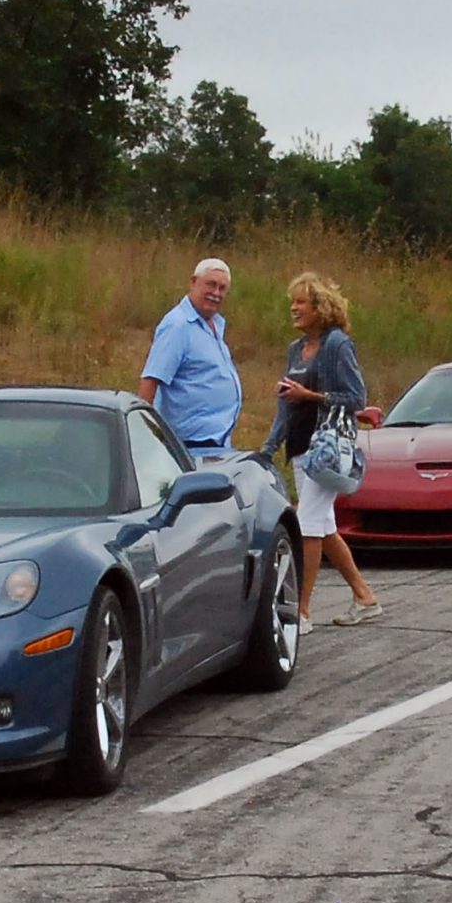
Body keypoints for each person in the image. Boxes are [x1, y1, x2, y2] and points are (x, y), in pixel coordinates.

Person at [255, 271, 383, 632]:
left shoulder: (338, 345)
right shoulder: (295, 350)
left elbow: (356, 399)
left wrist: (311, 396)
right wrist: (268, 449)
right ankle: (364, 596)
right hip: (300, 446)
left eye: (301, 302)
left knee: (308, 524)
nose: (293, 309)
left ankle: (303, 611)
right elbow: (286, 405)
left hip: (326, 449)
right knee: (322, 526)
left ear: (320, 308)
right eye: (292, 302)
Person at [138, 257, 243, 458]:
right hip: (187, 447)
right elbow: (151, 380)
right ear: (193, 282)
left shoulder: (214, 326)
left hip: (216, 445)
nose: (216, 293)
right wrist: (143, 437)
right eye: (211, 285)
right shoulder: (178, 326)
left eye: (222, 289)